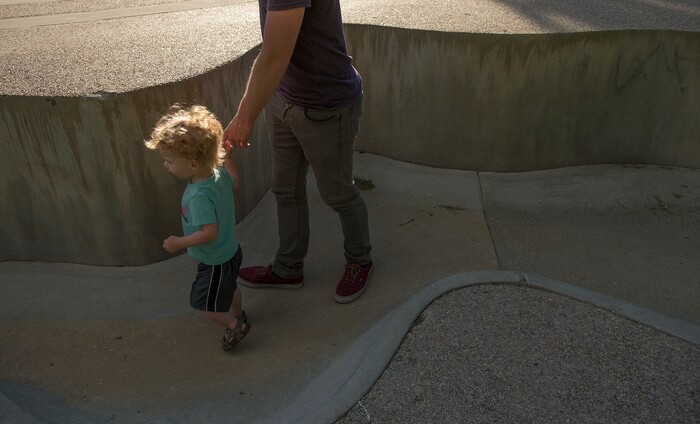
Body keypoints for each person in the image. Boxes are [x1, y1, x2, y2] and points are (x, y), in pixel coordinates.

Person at [223, 0, 372, 304]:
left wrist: (244, 117)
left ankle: (360, 259)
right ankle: (288, 268)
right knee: (285, 189)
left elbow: (276, 54)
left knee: (338, 193)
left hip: (326, 106)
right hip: (283, 98)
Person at [144, 104, 249, 351]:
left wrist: (178, 242)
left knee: (208, 306)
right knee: (231, 286)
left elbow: (208, 232)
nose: (166, 165)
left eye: (169, 161)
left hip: (215, 261)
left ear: (192, 164)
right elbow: (235, 183)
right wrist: (228, 159)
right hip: (231, 251)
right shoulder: (216, 172)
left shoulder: (198, 196)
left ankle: (236, 326)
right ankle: (239, 314)